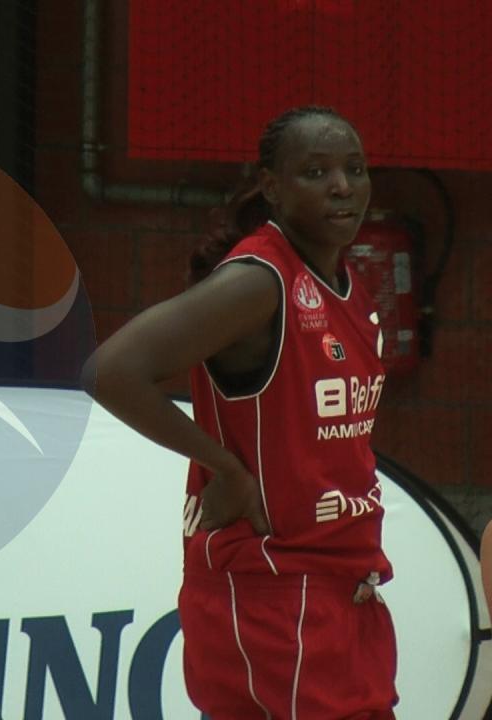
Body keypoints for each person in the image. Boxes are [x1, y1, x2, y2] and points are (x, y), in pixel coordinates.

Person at [87, 106, 397, 717]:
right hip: (273, 594)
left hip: (335, 587)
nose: (342, 186)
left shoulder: (344, 281)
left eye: (355, 169)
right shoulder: (259, 282)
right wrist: (225, 469)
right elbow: (111, 370)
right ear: (273, 187)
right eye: (316, 172)